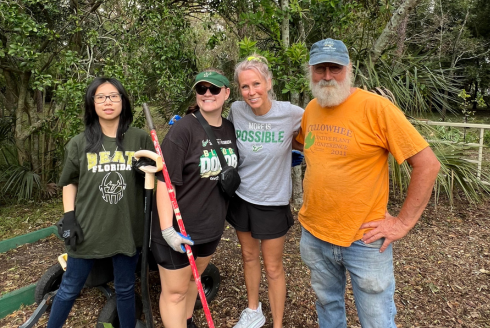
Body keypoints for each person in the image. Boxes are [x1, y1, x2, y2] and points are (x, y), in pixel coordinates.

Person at [296, 38, 441, 328]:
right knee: (327, 306)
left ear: (349, 69)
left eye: (334, 68)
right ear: (310, 71)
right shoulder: (312, 108)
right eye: (320, 68)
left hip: (364, 239)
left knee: (376, 320)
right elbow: (305, 149)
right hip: (315, 233)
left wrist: (401, 223)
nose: (327, 76)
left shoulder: (376, 108)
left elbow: (427, 165)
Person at [49, 77, 153, 328]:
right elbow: (70, 182)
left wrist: (148, 172)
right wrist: (70, 216)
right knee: (70, 288)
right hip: (86, 230)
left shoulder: (140, 139)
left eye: (114, 96)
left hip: (126, 230)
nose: (108, 101)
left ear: (123, 102)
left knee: (126, 290)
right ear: (92, 103)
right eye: (101, 96)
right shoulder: (78, 142)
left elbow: (157, 178)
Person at [150, 69, 239, 328]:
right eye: (202, 89)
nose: (207, 94)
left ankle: (187, 322)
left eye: (214, 88)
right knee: (175, 292)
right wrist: (167, 230)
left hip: (210, 227)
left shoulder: (231, 129)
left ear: (226, 93)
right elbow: (164, 182)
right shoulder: (183, 130)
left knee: (193, 282)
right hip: (179, 229)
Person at [227, 54, 304, 328]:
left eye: (256, 84)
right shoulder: (236, 110)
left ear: (269, 83)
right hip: (242, 197)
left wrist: (299, 150)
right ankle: (253, 311)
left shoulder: (291, 113)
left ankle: (278, 323)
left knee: (273, 267)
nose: (251, 92)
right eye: (245, 87)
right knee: (248, 257)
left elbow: (315, 133)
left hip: (272, 202)